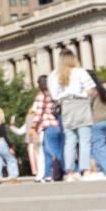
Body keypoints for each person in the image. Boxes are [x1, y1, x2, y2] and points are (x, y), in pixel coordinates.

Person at [49, 51, 98, 180]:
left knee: (70, 140)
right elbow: (90, 90)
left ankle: (70, 172)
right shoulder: (80, 72)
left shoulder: (54, 75)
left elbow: (54, 95)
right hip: (81, 104)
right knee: (84, 139)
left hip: (66, 106)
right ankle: (85, 170)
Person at [27, 75, 62, 182]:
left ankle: (71, 169)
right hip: (56, 123)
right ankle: (47, 174)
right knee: (47, 151)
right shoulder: (54, 94)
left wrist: (33, 127)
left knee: (52, 151)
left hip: (47, 124)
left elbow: (39, 113)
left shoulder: (41, 95)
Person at [0, 108, 22, 180]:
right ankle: (13, 177)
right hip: (1, 142)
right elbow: (5, 136)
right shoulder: (1, 124)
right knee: (11, 159)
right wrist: (10, 147)